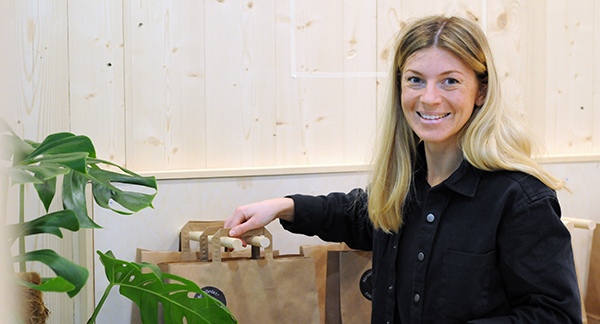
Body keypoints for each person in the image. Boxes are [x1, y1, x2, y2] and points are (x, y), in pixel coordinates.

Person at [224, 15, 582, 324]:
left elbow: (555, 315)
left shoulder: (521, 199)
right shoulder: (405, 182)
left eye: (450, 81)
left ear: (481, 91)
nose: (429, 97)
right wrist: (284, 205)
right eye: (415, 80)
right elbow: (362, 216)